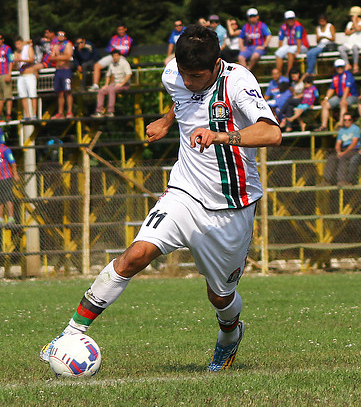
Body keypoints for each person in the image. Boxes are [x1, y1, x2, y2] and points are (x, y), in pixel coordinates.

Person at [39, 25, 282, 372]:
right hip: (185, 191)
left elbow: (272, 133)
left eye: (197, 76)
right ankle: (67, 335)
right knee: (134, 256)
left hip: (232, 206)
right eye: (184, 75)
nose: (190, 82)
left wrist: (221, 135)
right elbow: (184, 101)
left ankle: (230, 336)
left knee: (221, 297)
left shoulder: (238, 82)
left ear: (216, 66)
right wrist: (169, 120)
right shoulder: (174, 74)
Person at [317, 59, 358, 131]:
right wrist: (326, 99)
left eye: (341, 67)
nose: (340, 69)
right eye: (338, 67)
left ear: (344, 67)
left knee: (343, 103)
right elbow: (331, 89)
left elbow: (347, 88)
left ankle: (341, 124)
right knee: (325, 104)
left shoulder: (348, 75)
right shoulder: (335, 76)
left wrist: (343, 99)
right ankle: (324, 126)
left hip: (351, 96)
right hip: (339, 96)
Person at [89, 23, 133, 91]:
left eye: (121, 29)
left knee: (115, 67)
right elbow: (109, 49)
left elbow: (125, 51)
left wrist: (116, 56)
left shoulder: (129, 39)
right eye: (119, 30)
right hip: (112, 56)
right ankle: (95, 85)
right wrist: (114, 55)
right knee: (97, 65)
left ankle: (113, 85)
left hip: (121, 57)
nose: (120, 31)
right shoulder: (114, 38)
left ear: (125, 29)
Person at [321, 113, 360, 185]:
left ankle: (342, 180)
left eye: (349, 120)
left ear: (352, 120)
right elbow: (338, 144)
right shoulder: (341, 130)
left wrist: (343, 153)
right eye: (345, 120)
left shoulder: (356, 129)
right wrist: (338, 152)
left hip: (353, 149)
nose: (347, 121)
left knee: (343, 158)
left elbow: (354, 143)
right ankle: (327, 180)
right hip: (343, 149)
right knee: (331, 157)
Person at [91, 50, 132, 118]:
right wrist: (106, 84)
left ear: (119, 56)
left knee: (112, 90)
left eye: (116, 55)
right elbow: (108, 75)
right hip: (115, 84)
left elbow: (128, 74)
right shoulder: (112, 64)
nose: (115, 57)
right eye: (114, 56)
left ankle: (110, 111)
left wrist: (122, 84)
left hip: (124, 84)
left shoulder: (124, 63)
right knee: (101, 91)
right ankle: (99, 111)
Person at [49, 31, 74, 119]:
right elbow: (51, 58)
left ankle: (69, 111)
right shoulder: (55, 46)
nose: (59, 36)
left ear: (65, 37)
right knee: (59, 93)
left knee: (67, 91)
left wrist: (57, 57)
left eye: (62, 35)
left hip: (66, 70)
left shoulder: (68, 45)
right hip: (58, 70)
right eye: (58, 35)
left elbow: (68, 57)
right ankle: (60, 112)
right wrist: (59, 57)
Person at [338, 6, 361, 74]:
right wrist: (354, 29)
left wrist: (354, 24)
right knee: (340, 48)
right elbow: (346, 32)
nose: (351, 17)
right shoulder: (350, 23)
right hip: (350, 44)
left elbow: (358, 29)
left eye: (353, 16)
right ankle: (347, 64)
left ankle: (355, 65)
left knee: (355, 47)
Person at [13, 37, 38, 121]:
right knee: (23, 96)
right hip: (21, 75)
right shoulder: (16, 52)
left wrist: (21, 59)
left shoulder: (28, 49)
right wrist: (15, 63)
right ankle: (27, 115)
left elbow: (31, 59)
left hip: (29, 74)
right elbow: (15, 66)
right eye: (16, 44)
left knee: (32, 95)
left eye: (19, 44)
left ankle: (34, 114)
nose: (18, 46)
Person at [0, 128, 19, 224]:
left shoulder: (5, 149)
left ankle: (11, 218)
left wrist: (15, 174)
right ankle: (1, 218)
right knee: (0, 199)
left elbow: (13, 162)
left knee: (8, 197)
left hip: (6, 177)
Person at [0, 34, 14, 122]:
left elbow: (11, 61)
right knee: (0, 97)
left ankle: (8, 114)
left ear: (3, 40)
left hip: (5, 73)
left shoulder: (7, 48)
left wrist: (9, 74)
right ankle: (0, 115)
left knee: (8, 95)